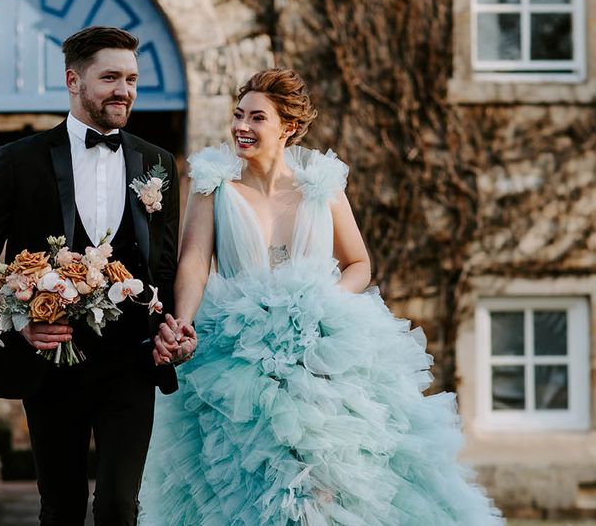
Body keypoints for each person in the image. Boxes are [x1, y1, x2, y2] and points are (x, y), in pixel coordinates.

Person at [141, 68, 504, 525]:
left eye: (256, 118)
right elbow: (193, 263)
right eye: (237, 116)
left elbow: (359, 265)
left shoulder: (320, 188)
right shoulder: (214, 187)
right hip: (233, 356)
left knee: (325, 484)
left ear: (287, 128)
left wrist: (322, 302)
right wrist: (186, 321)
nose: (241, 127)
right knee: (243, 484)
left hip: (318, 350)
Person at [0, 26, 185, 526]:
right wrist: (17, 320)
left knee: (120, 506)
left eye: (132, 79)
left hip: (131, 364)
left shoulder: (156, 162)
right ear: (73, 81)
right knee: (61, 507)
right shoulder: (20, 161)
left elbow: (164, 265)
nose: (124, 90)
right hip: (50, 365)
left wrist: (172, 325)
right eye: (110, 78)